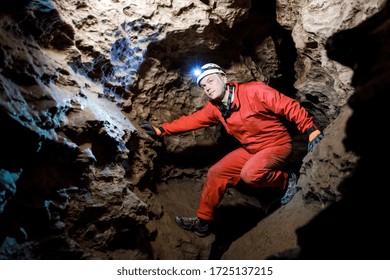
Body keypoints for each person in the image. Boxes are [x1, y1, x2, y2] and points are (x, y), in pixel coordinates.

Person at [139, 63, 324, 238]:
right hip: (251, 150)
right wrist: (161, 130)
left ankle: (287, 180)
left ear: (223, 78)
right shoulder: (215, 108)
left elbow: (288, 106)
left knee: (250, 174)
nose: (207, 88)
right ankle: (204, 222)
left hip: (277, 145)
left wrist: (310, 128)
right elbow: (191, 120)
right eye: (203, 86)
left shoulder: (253, 91)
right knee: (216, 172)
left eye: (210, 81)